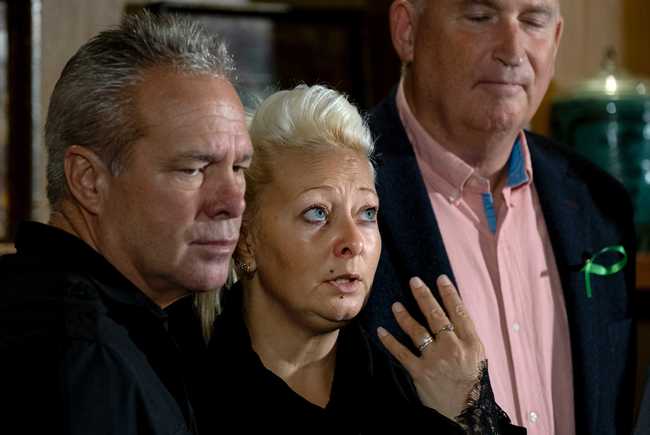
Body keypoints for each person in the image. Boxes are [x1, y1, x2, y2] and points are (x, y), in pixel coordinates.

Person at [361, 1, 637, 435]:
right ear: (407, 31)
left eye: (533, 21)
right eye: (480, 17)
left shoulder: (600, 204)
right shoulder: (340, 197)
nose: (513, 49)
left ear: (558, 37)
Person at [194, 84, 524, 434]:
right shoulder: (186, 393)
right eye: (317, 213)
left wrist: (470, 413)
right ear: (245, 238)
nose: (353, 241)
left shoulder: (409, 396)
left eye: (367, 213)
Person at [0, 12, 252, 435]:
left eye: (240, 168)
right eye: (193, 169)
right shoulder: (84, 356)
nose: (232, 201)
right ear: (88, 180)